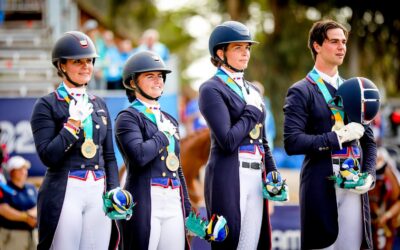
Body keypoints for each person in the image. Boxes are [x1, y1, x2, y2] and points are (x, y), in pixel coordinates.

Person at [283, 19, 377, 249]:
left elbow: (370, 142)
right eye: (334, 41)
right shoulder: (301, 89)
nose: (341, 47)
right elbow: (292, 142)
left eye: (343, 42)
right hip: (320, 183)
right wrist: (336, 138)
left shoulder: (356, 88)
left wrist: (369, 175)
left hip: (354, 184)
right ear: (317, 46)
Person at [199, 21, 285, 249]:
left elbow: (263, 140)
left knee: (251, 244)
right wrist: (251, 112)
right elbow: (227, 140)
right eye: (238, 47)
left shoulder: (253, 90)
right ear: (220, 52)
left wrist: (273, 174)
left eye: (247, 47)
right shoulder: (211, 89)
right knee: (229, 244)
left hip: (256, 177)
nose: (246, 53)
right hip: (229, 174)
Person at [30, 31, 120, 250]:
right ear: (62, 66)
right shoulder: (46, 104)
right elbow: (48, 157)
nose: (86, 66)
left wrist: (114, 190)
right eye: (77, 61)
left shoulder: (99, 104)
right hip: (66, 189)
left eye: (89, 61)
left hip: (98, 190)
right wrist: (72, 125)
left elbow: (108, 156)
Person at [115, 51, 191, 249]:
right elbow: (139, 156)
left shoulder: (170, 120)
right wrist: (162, 136)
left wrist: (187, 206)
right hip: (145, 198)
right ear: (133, 83)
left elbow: (176, 167)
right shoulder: (127, 117)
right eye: (150, 76)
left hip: (173, 198)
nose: (158, 81)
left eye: (160, 76)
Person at [0, 156, 37, 250]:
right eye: (19, 169)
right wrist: (27, 217)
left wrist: (33, 215)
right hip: (13, 235)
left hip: (32, 234)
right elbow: (4, 209)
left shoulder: (31, 187)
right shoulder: (5, 188)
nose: (23, 171)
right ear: (12, 171)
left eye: (25, 168)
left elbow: (38, 204)